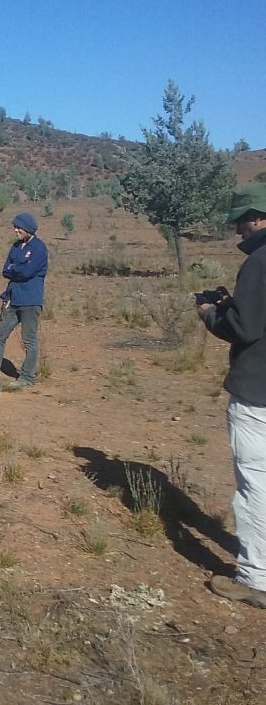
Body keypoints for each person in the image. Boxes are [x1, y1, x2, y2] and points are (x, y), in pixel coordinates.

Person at [199, 183, 266, 608]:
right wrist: (232, 304)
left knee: (255, 483)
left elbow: (244, 328)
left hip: (258, 390)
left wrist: (211, 314)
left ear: (258, 218)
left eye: (242, 222)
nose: (238, 231)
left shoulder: (259, 262)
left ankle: (256, 578)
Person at [0, 211, 48, 389]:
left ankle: (27, 377)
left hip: (30, 301)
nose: (16, 230)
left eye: (19, 227)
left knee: (29, 340)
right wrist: (17, 269)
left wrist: (15, 269)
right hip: (13, 298)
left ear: (28, 229)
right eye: (15, 227)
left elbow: (27, 272)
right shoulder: (16, 247)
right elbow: (5, 270)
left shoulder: (39, 248)